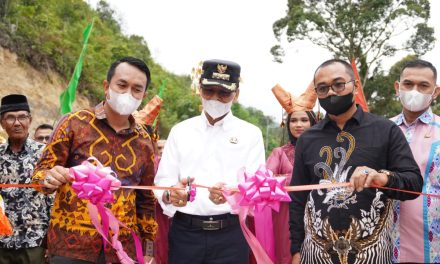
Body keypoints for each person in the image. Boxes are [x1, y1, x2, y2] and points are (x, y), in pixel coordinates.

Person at [289, 59, 423, 264]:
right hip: (316, 254)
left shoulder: (385, 130)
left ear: (355, 86)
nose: (331, 92)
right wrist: (296, 250)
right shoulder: (307, 139)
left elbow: (413, 182)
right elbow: (298, 198)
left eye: (338, 84)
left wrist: (382, 178)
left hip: (371, 253)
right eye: (323, 88)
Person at [31, 57, 158, 264]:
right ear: (107, 86)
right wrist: (49, 177)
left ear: (143, 95)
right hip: (71, 247)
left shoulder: (145, 140)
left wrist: (148, 246)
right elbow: (39, 175)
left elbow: (146, 197)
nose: (128, 93)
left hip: (122, 249)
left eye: (137, 89)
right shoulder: (73, 123)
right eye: (122, 85)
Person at [154, 59, 265, 264]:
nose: (215, 99)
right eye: (209, 91)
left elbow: (255, 189)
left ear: (236, 94)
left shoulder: (251, 134)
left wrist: (231, 196)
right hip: (185, 234)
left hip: (230, 236)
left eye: (223, 93)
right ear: (199, 89)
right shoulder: (181, 131)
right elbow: (162, 182)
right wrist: (171, 195)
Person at [390, 59, 440, 263]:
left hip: (433, 246)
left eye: (423, 86)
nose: (414, 91)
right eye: (408, 84)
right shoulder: (383, 130)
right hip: (388, 245)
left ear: (435, 92)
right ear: (398, 87)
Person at [266, 83, 317, 264]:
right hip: (285, 215)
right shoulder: (279, 153)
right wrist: (293, 180)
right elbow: (265, 183)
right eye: (294, 120)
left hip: (318, 212)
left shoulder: (324, 151)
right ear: (287, 125)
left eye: (304, 120)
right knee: (286, 256)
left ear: (314, 121)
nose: (298, 125)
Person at [0, 94, 53, 264]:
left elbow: (53, 200)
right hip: (2, 241)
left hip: (35, 241)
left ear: (30, 120)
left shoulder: (45, 153)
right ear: (2, 123)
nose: (17, 123)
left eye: (22, 117)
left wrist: (52, 241)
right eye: (10, 118)